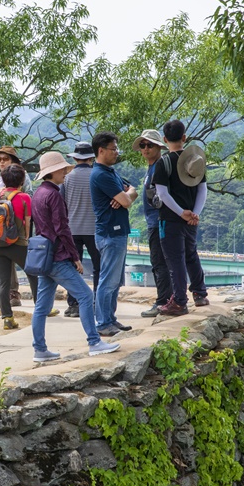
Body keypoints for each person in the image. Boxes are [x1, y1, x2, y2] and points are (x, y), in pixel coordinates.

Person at [29, 151, 119, 361]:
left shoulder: (38, 193)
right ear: (53, 172)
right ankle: (94, 342)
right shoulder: (54, 195)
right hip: (58, 257)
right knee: (86, 296)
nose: (65, 172)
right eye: (62, 169)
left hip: (44, 257)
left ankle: (40, 349)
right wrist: (75, 257)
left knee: (42, 306)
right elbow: (62, 229)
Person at [153, 119, 209, 317]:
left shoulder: (164, 162)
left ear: (164, 139)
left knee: (175, 260)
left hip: (170, 220)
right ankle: (200, 293)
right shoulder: (196, 160)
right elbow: (203, 190)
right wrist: (195, 214)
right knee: (191, 254)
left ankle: (179, 301)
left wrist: (180, 212)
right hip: (191, 220)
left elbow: (162, 194)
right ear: (184, 137)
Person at [89, 131, 138, 337]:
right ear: (101, 151)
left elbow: (133, 190)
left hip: (118, 232)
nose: (117, 152)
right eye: (113, 149)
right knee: (108, 281)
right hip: (110, 233)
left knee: (115, 281)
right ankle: (102, 323)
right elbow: (127, 200)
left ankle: (110, 318)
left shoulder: (111, 172)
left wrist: (125, 196)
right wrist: (125, 198)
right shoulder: (100, 175)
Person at [0, 163, 39, 330]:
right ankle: (41, 308)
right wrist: (26, 240)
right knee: (33, 274)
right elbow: (28, 223)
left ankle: (7, 318)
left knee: (4, 282)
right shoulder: (24, 197)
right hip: (17, 244)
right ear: (22, 180)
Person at [134, 129, 172, 318]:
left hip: (159, 222)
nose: (146, 148)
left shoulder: (159, 167)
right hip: (154, 221)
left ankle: (163, 301)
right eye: (143, 145)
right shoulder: (151, 168)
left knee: (159, 263)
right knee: (160, 262)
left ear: (159, 146)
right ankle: (168, 299)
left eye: (150, 145)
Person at [0, 146, 31, 307]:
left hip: (18, 224)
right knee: (8, 261)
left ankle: (8, 310)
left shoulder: (23, 176)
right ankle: (13, 293)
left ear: (13, 161)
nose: (2, 162)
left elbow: (29, 196)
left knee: (23, 262)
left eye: (5, 159)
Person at [61, 141, 100, 319]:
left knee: (73, 267)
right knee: (99, 268)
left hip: (72, 229)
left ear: (75, 158)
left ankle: (73, 304)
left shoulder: (67, 178)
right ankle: (97, 302)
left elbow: (63, 203)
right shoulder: (97, 175)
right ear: (92, 158)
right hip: (94, 229)